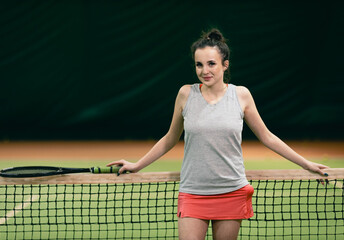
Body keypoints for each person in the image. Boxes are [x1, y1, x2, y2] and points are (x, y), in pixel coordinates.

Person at [107, 28, 329, 240]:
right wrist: (137, 165)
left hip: (231, 191)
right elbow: (169, 139)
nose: (205, 71)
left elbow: (267, 137)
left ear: (225, 65)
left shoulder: (241, 95)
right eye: (199, 64)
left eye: (211, 64)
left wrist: (306, 164)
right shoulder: (185, 94)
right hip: (193, 192)